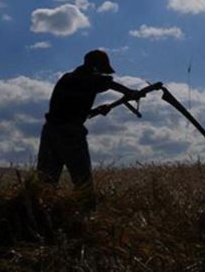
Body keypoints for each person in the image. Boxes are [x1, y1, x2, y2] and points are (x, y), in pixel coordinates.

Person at [36, 50, 141, 199]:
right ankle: (85, 214)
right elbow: (109, 84)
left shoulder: (67, 79)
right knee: (83, 182)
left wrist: (94, 110)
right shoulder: (87, 79)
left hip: (49, 132)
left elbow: (69, 108)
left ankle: (40, 215)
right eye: (100, 70)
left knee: (46, 181)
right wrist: (130, 93)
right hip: (70, 134)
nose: (100, 73)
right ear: (95, 67)